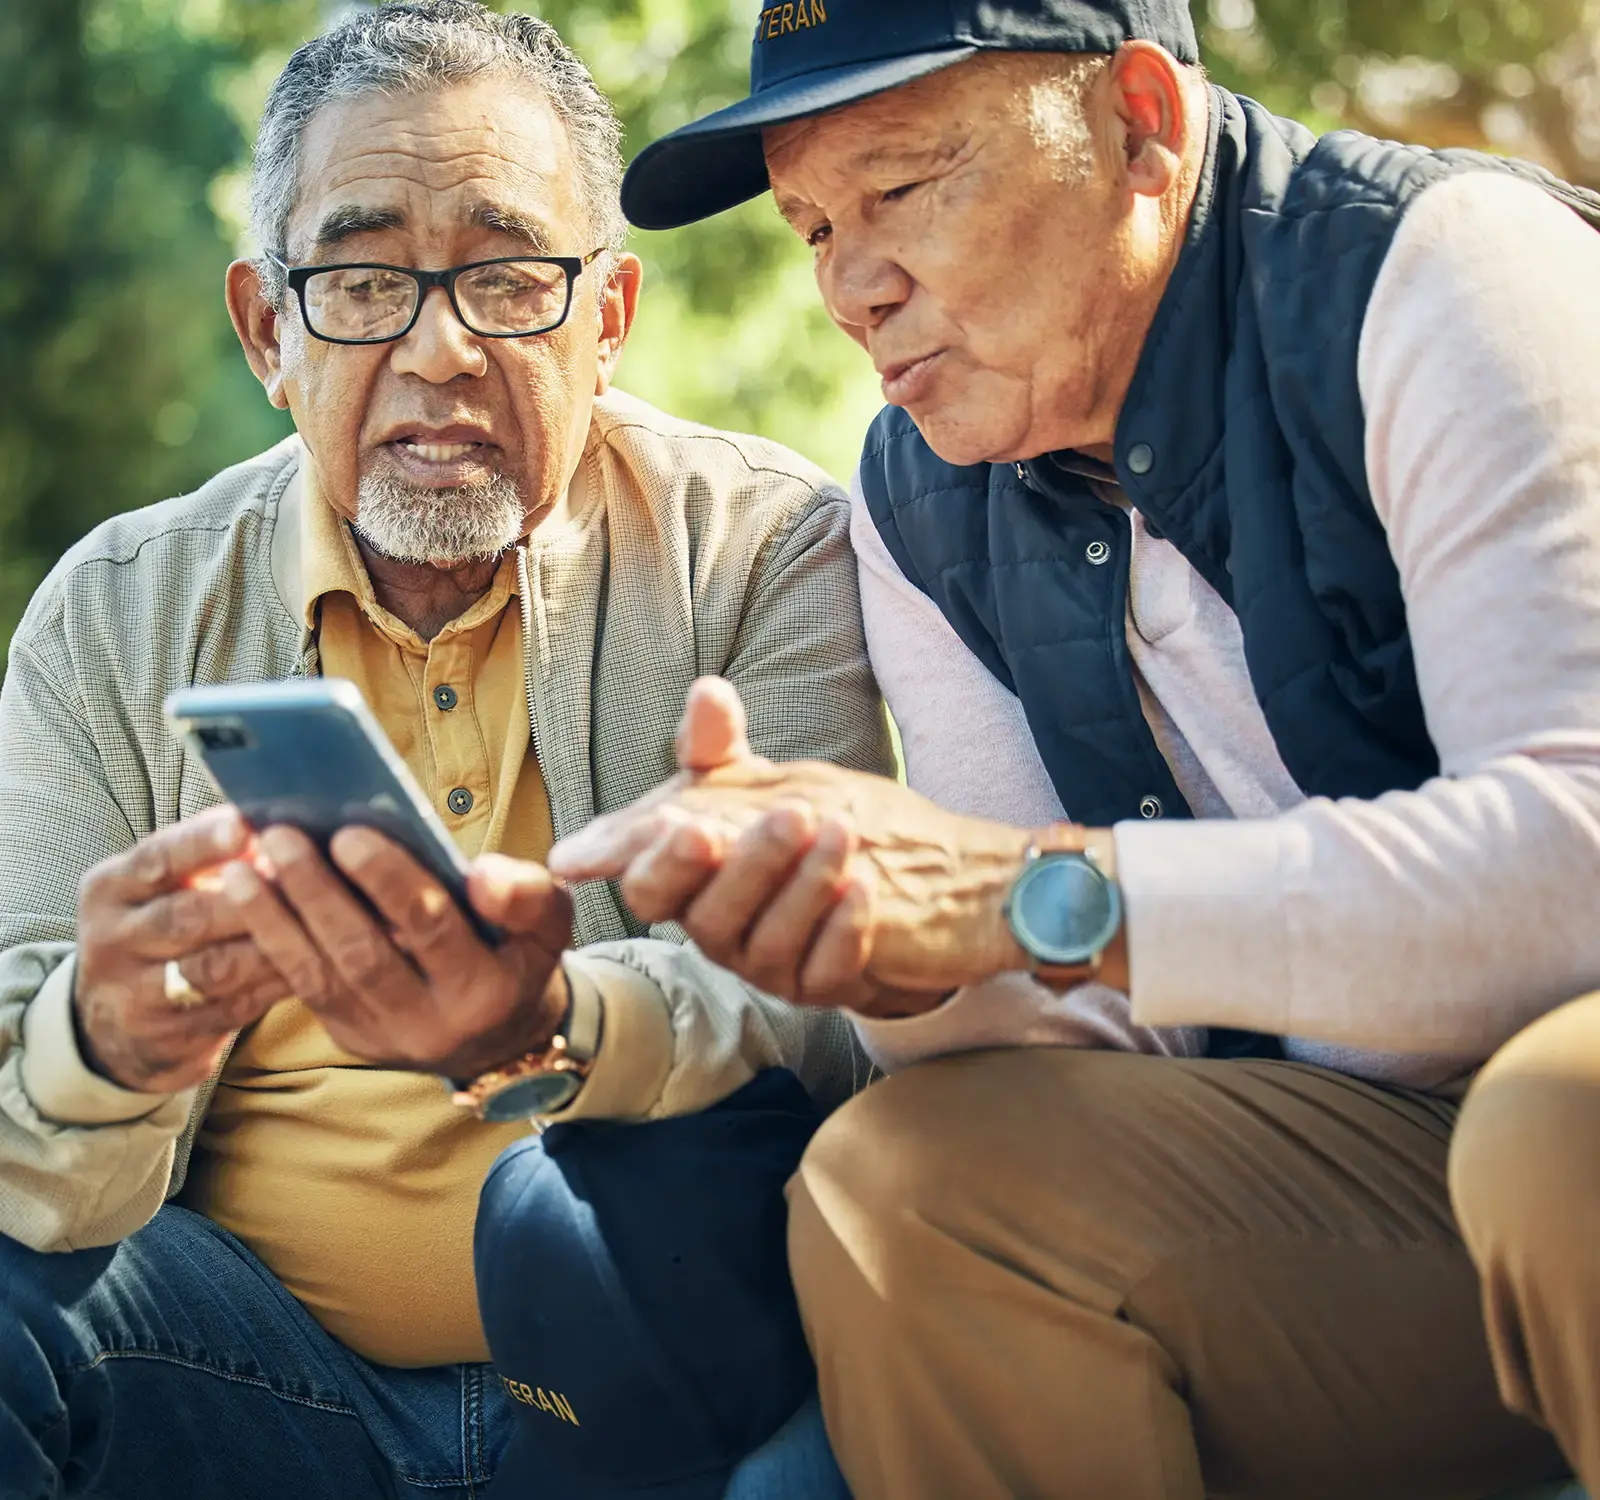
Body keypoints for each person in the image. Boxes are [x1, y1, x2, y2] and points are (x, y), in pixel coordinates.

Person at [551, 1, 1600, 1495]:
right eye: (811, 227)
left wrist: (1043, 894)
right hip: (1391, 1178)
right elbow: (1097, 1025)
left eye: (903, 188)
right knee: (902, 1183)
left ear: (1143, 122)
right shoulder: (922, 510)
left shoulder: (1446, 276)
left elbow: (1577, 873)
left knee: (1555, 1123)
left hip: (1569, 1119)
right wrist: (895, 965)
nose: (853, 286)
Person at [0, 4, 890, 1497]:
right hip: (246, 1366)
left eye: (507, 275)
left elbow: (828, 1005)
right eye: (359, 279)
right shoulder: (115, 608)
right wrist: (104, 1043)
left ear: (606, 318)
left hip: (657, 1351)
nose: (438, 348)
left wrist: (553, 1017)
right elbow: (22, 1136)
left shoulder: (759, 547)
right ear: (267, 329)